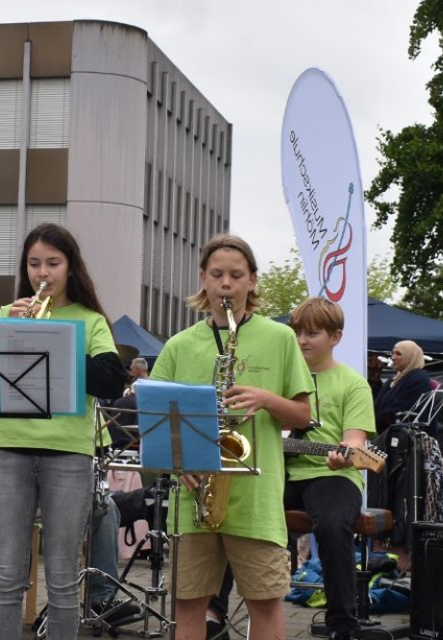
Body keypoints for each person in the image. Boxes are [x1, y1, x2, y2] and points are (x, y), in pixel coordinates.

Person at [149, 234, 311, 640]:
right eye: (217, 274)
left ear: (253, 281)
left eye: (236, 275)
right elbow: (152, 417)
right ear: (202, 278)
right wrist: (177, 462)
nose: (226, 284)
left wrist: (267, 398)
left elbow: (305, 414)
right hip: (193, 495)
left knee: (264, 603)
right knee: (188, 604)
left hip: (256, 497)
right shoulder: (179, 345)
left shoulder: (280, 338)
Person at [0, 224, 129, 640]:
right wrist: (5, 329)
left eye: (53, 263)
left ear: (71, 267)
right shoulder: (5, 314)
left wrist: (55, 346)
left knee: (65, 577)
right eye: (34, 263)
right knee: (6, 573)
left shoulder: (91, 320)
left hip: (69, 455)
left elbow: (110, 380)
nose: (42, 272)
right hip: (11, 449)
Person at [282, 298, 375, 640]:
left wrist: (344, 455)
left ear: (335, 337)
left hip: (333, 475)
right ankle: (215, 613)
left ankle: (343, 626)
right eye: (297, 332)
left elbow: (356, 442)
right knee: (236, 506)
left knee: (334, 526)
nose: (302, 340)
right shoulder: (281, 379)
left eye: (312, 333)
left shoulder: (352, 383)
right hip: (285, 472)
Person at [374, 340, 431, 430]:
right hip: (389, 436)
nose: (393, 357)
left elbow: (400, 411)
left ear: (411, 357)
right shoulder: (394, 379)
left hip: (409, 439)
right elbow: (377, 406)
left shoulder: (418, 379)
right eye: (392, 353)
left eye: (398, 354)